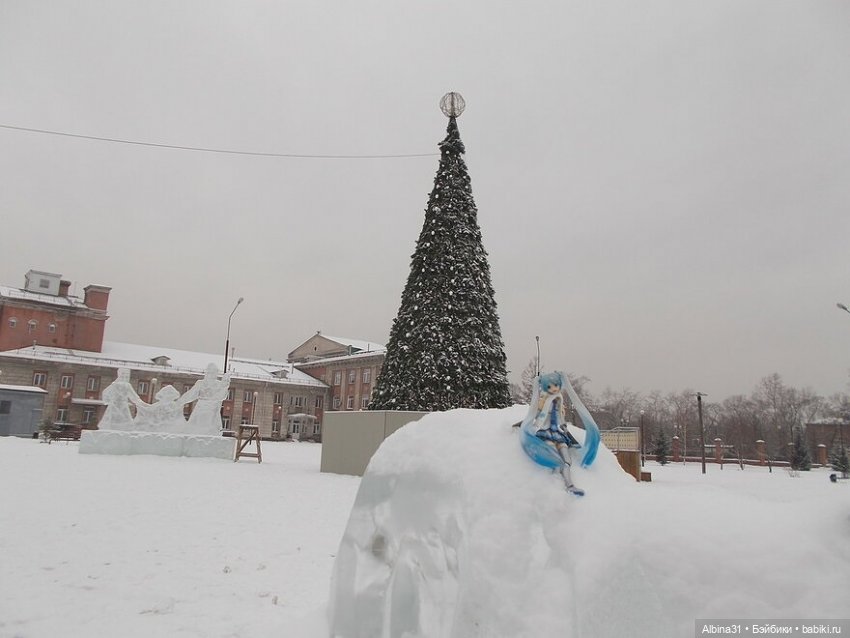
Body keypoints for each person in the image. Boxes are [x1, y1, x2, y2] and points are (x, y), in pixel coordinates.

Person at [520, 371, 600, 496]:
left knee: (567, 460)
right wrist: (525, 423)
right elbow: (535, 414)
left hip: (559, 433)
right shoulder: (543, 401)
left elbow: (561, 418)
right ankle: (552, 488)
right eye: (549, 386)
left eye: (556, 385)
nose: (553, 388)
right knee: (554, 458)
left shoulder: (560, 400)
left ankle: (570, 485)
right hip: (546, 432)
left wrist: (564, 428)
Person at [180, 364, 232, 436]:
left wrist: (225, 386)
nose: (210, 374)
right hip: (200, 409)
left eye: (213, 372)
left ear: (216, 373)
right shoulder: (200, 383)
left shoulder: (219, 384)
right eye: (209, 372)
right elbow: (190, 394)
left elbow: (221, 397)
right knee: (194, 431)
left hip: (212, 410)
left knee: (210, 432)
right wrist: (180, 402)